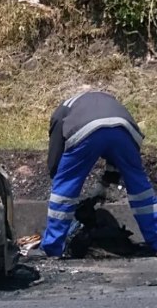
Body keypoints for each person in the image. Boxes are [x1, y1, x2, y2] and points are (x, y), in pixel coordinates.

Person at [40, 90, 157, 256]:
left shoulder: (63, 109)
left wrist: (57, 175)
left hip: (86, 130)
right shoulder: (110, 101)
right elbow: (115, 151)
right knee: (141, 190)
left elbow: (56, 151)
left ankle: (52, 247)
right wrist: (105, 184)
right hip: (125, 129)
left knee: (65, 191)